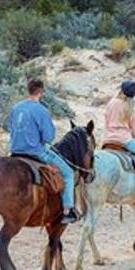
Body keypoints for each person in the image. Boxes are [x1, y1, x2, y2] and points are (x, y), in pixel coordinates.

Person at [9, 78, 80, 224]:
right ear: (41, 92)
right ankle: (68, 210)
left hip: (15, 150)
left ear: (28, 90)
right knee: (68, 173)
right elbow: (48, 137)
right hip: (36, 151)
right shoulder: (41, 110)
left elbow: (12, 128)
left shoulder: (16, 108)